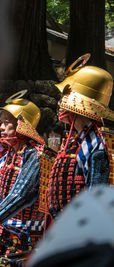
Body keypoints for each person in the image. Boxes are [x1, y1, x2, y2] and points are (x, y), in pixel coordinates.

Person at [46, 54, 114, 220]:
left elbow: (96, 197)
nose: (60, 103)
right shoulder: (79, 140)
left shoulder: (97, 144)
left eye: (65, 97)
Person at [0, 93, 45, 254]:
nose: (2, 127)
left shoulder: (35, 155)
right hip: (5, 234)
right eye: (1, 122)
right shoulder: (8, 154)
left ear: (21, 124)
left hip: (26, 240)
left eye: (7, 122)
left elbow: (22, 194)